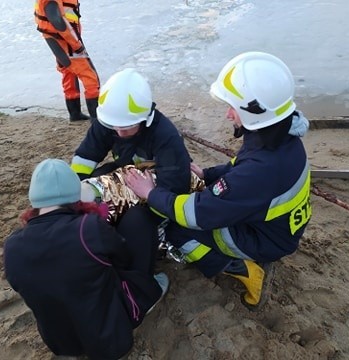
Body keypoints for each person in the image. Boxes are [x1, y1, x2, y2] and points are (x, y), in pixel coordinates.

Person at [125, 52, 312, 311]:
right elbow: (239, 167)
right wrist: (208, 174)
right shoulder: (279, 138)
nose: (227, 115)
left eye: (232, 107)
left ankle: (242, 269)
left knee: (177, 231)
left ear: (253, 112)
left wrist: (151, 194)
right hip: (278, 229)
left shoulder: (260, 170)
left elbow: (197, 214)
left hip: (266, 241)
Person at [3, 159, 169, 359]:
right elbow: (123, 257)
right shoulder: (87, 228)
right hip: (112, 339)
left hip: (62, 343)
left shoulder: (12, 246)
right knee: (138, 220)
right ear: (75, 196)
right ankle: (146, 295)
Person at [70, 68, 192, 196]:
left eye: (126, 127)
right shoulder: (110, 120)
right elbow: (86, 155)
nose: (119, 132)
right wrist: (75, 187)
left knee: (135, 215)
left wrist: (150, 196)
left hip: (157, 182)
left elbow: (175, 187)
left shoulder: (166, 136)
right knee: (94, 181)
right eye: (114, 126)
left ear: (144, 120)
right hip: (128, 168)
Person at [34, 0, 100, 121]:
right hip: (66, 42)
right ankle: (97, 119)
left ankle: (75, 114)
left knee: (69, 73)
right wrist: (76, 44)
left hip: (57, 41)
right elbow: (57, 20)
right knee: (90, 76)